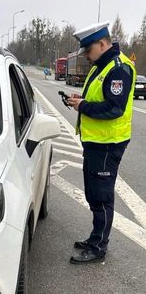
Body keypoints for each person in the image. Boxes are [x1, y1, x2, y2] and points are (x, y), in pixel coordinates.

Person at [66, 21, 136, 264]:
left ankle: (98, 247)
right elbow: (100, 97)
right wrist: (80, 100)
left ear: (103, 43)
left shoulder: (118, 69)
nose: (86, 54)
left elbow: (114, 108)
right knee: (94, 195)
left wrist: (83, 106)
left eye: (88, 49)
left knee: (102, 197)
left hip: (108, 144)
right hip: (96, 142)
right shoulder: (102, 65)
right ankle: (95, 238)